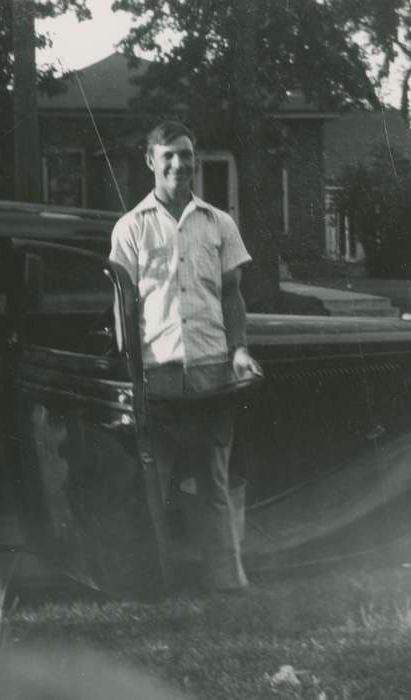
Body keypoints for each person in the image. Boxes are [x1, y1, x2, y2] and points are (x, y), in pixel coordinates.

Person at [109, 121, 262, 593]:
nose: (179, 164)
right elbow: (123, 306)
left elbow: (233, 296)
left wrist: (238, 349)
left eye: (187, 155)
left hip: (212, 370)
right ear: (150, 161)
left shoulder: (218, 222)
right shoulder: (131, 227)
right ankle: (153, 582)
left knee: (214, 482)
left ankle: (225, 581)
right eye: (169, 155)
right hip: (157, 377)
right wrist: (130, 372)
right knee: (152, 485)